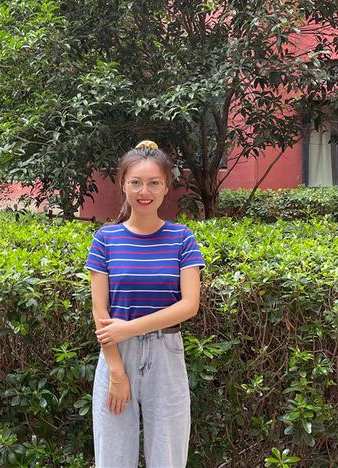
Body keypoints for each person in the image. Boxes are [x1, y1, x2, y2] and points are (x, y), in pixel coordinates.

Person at [85, 140, 205, 468]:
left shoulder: (182, 238)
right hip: (116, 357)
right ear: (123, 184)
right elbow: (100, 311)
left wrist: (129, 328)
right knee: (112, 458)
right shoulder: (105, 239)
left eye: (154, 182)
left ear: (166, 187)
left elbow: (189, 305)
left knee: (168, 457)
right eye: (136, 182)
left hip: (166, 355)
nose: (144, 191)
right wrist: (116, 372)